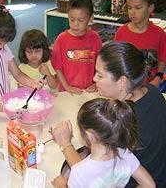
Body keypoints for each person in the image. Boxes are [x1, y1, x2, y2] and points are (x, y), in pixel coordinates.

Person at [51, 42, 166, 187]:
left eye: (100, 75)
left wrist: (65, 144)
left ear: (122, 82)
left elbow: (91, 178)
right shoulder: (150, 90)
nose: (94, 79)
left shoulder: (126, 124)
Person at [51, 98, 155, 188]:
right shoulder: (124, 154)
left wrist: (62, 186)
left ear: (90, 136)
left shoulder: (78, 173)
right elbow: (149, 185)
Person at [114, 0, 166, 87]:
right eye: (129, 7)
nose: (132, 12)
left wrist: (158, 77)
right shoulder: (121, 32)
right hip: (126, 87)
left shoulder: (159, 34)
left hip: (149, 86)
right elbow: (116, 60)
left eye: (138, 8)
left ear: (150, 8)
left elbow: (162, 58)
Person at [51, 0, 102, 94]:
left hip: (89, 91)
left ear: (90, 18)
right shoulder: (61, 39)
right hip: (67, 91)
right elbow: (57, 68)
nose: (75, 24)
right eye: (72, 19)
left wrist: (96, 83)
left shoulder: (95, 38)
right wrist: (67, 87)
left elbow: (101, 65)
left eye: (80, 20)